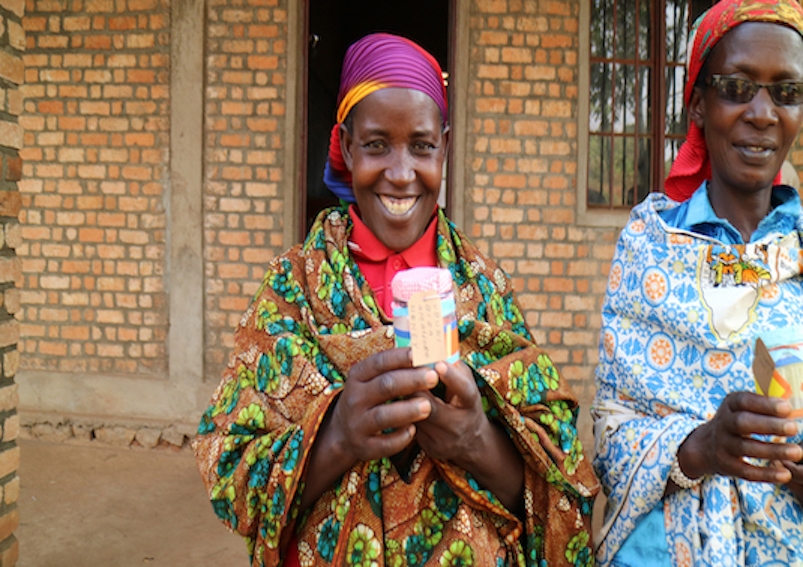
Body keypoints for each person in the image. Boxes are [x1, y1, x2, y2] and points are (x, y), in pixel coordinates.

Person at [194, 33, 598, 566]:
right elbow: (231, 473)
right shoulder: (293, 289)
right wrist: (337, 435)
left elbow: (560, 489)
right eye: (377, 144)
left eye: (422, 146)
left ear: (445, 148)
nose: (402, 174)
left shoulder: (484, 288)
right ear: (344, 145)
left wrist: (475, 438)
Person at [592, 1, 803, 565]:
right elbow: (610, 440)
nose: (762, 113)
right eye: (736, 87)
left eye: (786, 92)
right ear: (699, 103)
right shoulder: (649, 244)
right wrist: (704, 446)